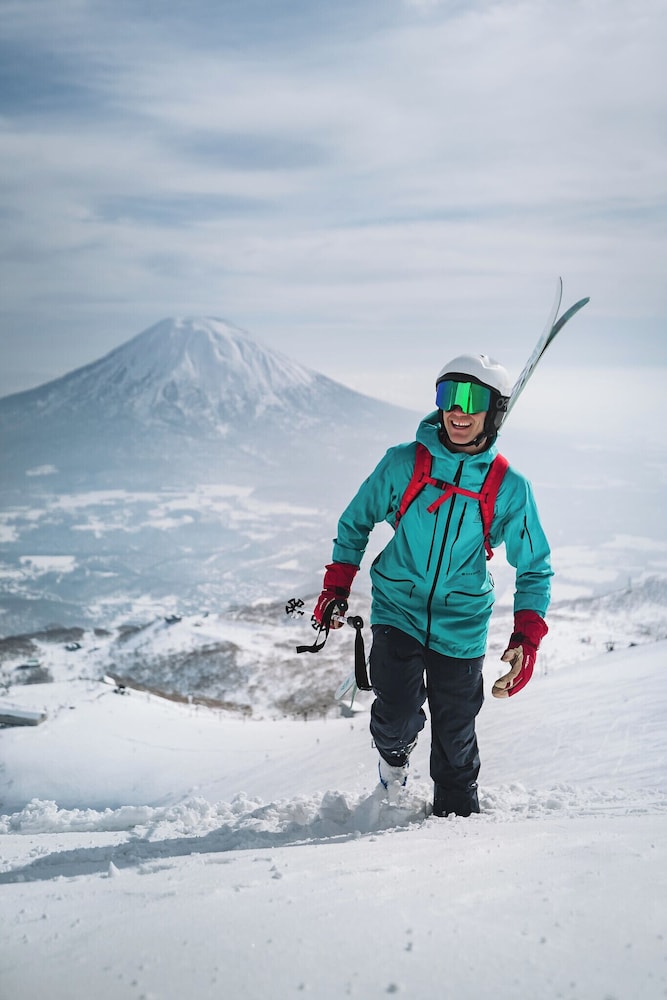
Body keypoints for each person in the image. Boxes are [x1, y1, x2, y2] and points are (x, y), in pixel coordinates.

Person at [313, 354, 552, 817]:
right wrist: (337, 585)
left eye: (472, 399)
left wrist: (527, 637)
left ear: (494, 410)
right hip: (397, 607)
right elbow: (356, 521)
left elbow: (535, 566)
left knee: (456, 739)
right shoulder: (405, 464)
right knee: (398, 712)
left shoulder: (508, 488)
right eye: (448, 396)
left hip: (461, 624)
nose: (458, 412)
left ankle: (455, 834)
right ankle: (393, 761)